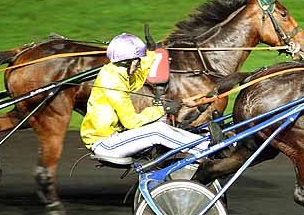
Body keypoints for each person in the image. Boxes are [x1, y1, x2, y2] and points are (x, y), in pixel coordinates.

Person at [81, 33, 210, 160]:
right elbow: (132, 122)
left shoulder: (116, 72)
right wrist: (163, 109)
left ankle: (203, 142)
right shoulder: (113, 82)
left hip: (113, 137)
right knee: (157, 130)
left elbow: (136, 79)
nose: (139, 65)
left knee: (161, 122)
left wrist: (152, 54)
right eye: (137, 62)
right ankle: (208, 148)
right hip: (105, 143)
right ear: (127, 61)